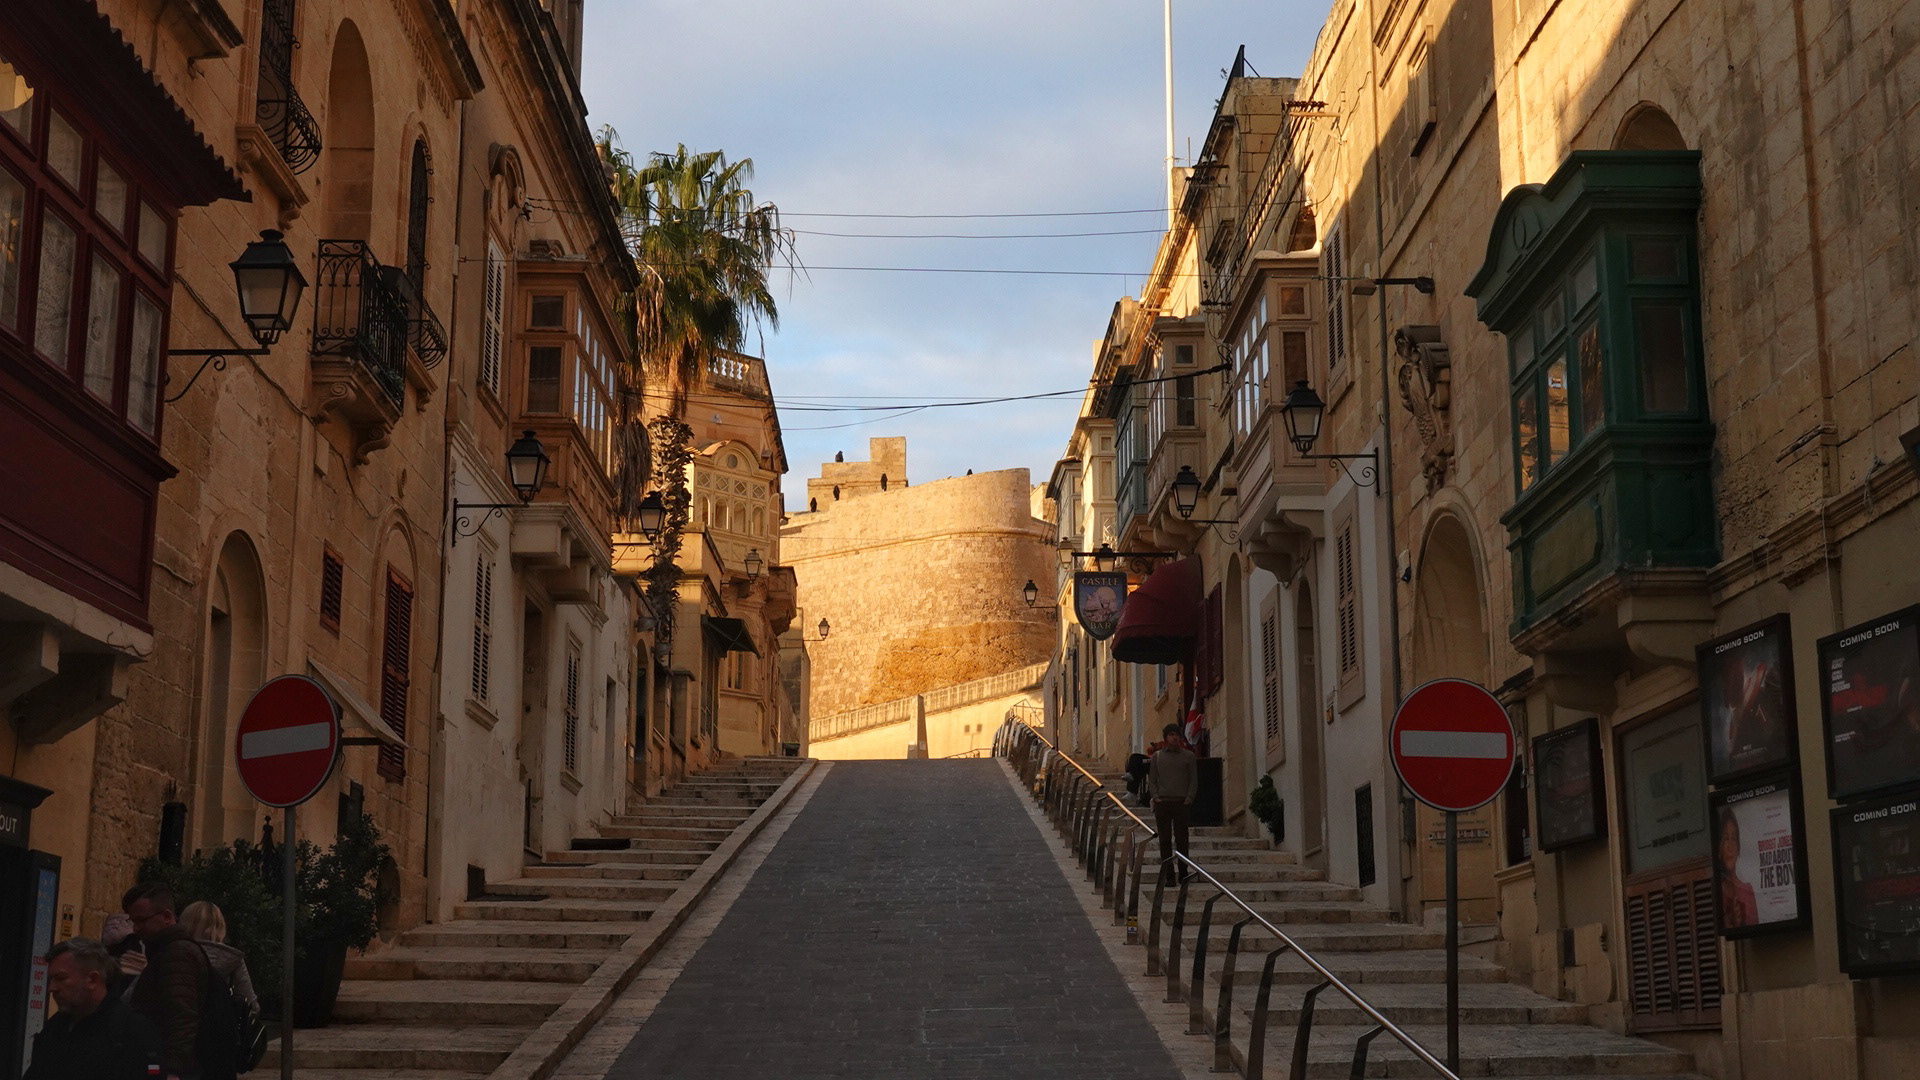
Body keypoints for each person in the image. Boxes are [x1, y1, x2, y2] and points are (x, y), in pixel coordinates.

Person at [24, 937, 165, 1080]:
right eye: (51, 980)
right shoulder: (55, 1027)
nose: (51, 988)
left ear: (92, 980)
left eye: (61, 978)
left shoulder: (132, 1030)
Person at [123, 881, 210, 1080]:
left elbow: (182, 1014)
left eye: (141, 921)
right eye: (132, 921)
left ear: (167, 917)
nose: (135, 928)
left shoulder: (177, 953)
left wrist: (172, 1070)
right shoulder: (165, 951)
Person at [178, 902, 259, 1016]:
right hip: (219, 1027)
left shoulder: (175, 953)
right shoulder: (232, 958)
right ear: (220, 927)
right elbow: (251, 1004)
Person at [1148, 723, 1197, 885]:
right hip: (1163, 803)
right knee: (1164, 840)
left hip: (1181, 803)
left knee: (1182, 840)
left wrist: (1189, 798)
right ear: (1165, 737)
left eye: (1177, 734)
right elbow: (1153, 779)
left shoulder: (1188, 756)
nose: (1174, 737)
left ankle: (1183, 873)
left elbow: (1193, 780)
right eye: (1171, 734)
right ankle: (1169, 875)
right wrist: (1156, 797)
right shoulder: (1157, 757)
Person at [1717, 812, 1758, 929]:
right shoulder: (1717, 891)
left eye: (1734, 839)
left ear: (1739, 848)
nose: (1730, 846)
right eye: (1725, 839)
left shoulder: (1748, 891)